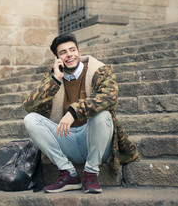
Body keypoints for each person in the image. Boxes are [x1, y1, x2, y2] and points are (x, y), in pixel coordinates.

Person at [22, 33, 140, 194]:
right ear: (57, 58)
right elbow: (29, 105)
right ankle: (68, 173)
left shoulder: (99, 70)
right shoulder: (53, 76)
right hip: (67, 139)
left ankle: (91, 173)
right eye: (63, 52)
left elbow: (108, 96)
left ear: (78, 51)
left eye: (72, 50)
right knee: (30, 119)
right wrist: (55, 79)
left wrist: (73, 111)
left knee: (103, 114)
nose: (69, 54)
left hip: (95, 141)